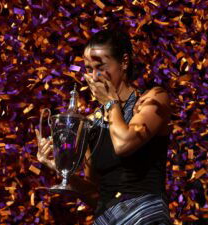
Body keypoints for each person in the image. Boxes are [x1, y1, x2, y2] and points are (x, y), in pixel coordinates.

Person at [35, 29, 171, 225]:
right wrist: (60, 169)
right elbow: (96, 194)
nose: (94, 76)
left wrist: (110, 103)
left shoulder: (153, 99)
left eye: (100, 66)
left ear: (124, 62)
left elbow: (124, 144)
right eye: (89, 69)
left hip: (145, 217)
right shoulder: (92, 123)